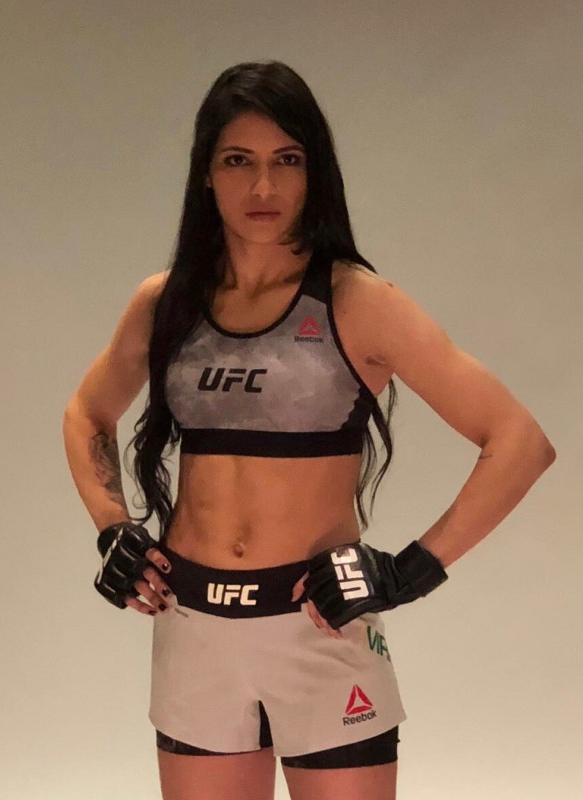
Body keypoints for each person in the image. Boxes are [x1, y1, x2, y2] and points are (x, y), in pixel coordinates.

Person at [63, 60, 556, 800]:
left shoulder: (358, 302)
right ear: (206, 175)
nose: (263, 187)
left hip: (319, 628)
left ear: (313, 171)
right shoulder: (165, 305)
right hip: (193, 626)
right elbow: (85, 413)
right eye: (239, 161)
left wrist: (408, 572)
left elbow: (518, 441)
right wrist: (111, 528)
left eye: (286, 160)